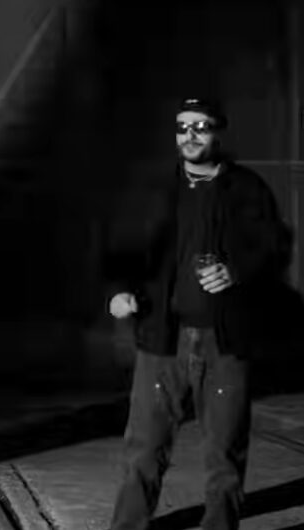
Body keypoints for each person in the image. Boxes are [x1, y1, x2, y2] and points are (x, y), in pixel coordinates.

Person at [106, 97, 290, 530]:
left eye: (201, 126)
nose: (190, 135)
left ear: (218, 132)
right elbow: (127, 249)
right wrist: (120, 291)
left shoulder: (246, 188)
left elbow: (272, 251)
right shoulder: (157, 190)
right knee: (143, 448)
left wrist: (235, 271)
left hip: (224, 342)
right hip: (162, 339)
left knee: (224, 451)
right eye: (182, 127)